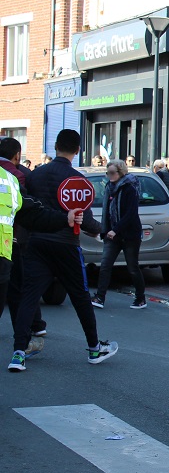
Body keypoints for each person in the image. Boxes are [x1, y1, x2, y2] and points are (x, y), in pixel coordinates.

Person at [8, 129, 118, 372]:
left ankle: (18, 352)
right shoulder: (78, 180)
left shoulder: (35, 175)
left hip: (36, 243)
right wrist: (101, 231)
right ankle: (93, 347)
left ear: (56, 146)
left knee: (28, 296)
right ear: (78, 150)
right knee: (80, 296)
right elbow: (84, 219)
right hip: (66, 244)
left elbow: (27, 209)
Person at [0, 137, 47, 339]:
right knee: (19, 286)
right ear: (18, 155)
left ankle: (30, 329)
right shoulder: (17, 175)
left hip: (9, 241)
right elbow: (25, 206)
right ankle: (29, 330)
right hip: (12, 241)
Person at [91, 159, 146, 310]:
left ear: (121, 173)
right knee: (105, 265)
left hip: (129, 234)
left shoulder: (129, 188)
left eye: (112, 173)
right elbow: (106, 211)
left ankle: (140, 298)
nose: (109, 176)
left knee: (132, 267)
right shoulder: (109, 187)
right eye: (107, 173)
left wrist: (116, 229)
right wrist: (106, 230)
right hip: (112, 235)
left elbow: (130, 214)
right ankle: (100, 297)